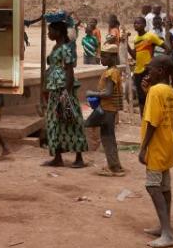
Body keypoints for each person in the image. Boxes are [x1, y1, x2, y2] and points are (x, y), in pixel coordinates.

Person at [138, 55, 173, 248]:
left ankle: (167, 233)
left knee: (152, 186)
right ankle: (164, 226)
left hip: (155, 145)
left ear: (160, 71)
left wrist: (143, 147)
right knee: (164, 187)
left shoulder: (156, 91)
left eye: (151, 70)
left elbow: (152, 122)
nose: (148, 73)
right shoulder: (169, 91)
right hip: (167, 144)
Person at [41, 19, 88, 167]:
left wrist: (66, 94)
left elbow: (69, 71)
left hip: (63, 89)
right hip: (54, 88)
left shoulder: (66, 48)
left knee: (71, 120)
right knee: (54, 122)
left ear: (58, 32)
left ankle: (79, 158)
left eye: (51, 31)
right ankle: (57, 157)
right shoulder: (56, 47)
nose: (49, 33)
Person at [85, 49, 125, 176]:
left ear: (113, 57)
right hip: (110, 108)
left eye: (104, 56)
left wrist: (92, 93)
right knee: (109, 137)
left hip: (108, 108)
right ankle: (115, 165)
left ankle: (114, 168)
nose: (101, 58)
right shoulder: (114, 71)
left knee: (107, 137)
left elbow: (107, 93)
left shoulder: (111, 73)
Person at [127, 17, 167, 112]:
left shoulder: (150, 36)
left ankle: (151, 115)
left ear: (144, 25)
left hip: (148, 70)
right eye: (135, 23)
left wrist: (157, 62)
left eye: (139, 23)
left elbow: (167, 48)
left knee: (149, 95)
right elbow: (135, 56)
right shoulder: (136, 39)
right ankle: (143, 118)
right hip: (138, 71)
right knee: (141, 97)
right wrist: (126, 43)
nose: (136, 25)